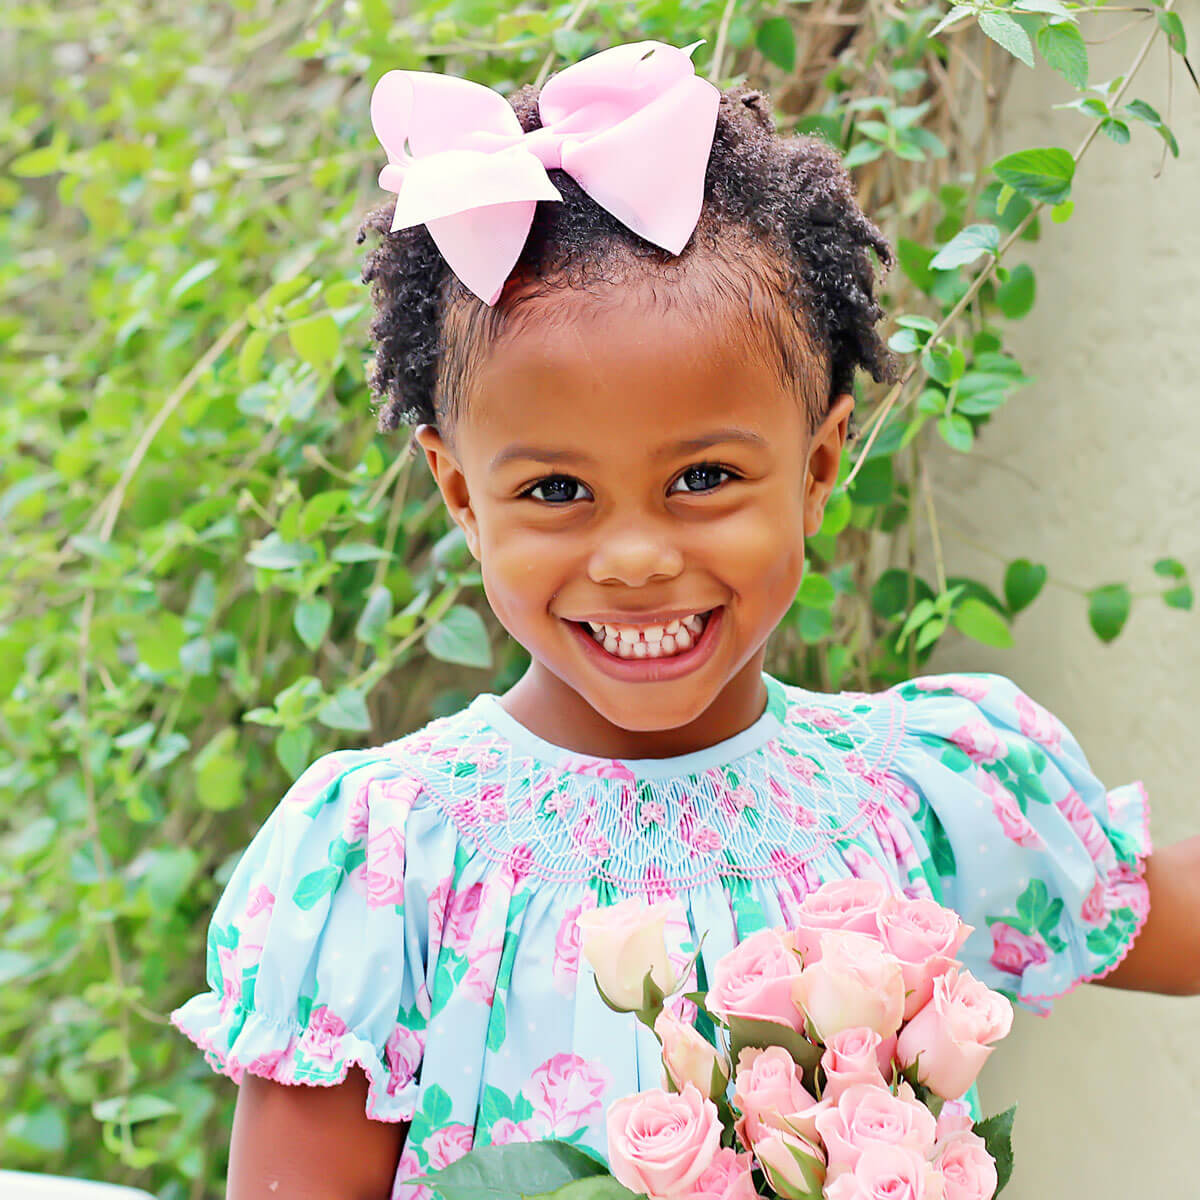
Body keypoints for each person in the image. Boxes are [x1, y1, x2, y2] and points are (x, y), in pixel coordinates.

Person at [170, 39, 1200, 1200]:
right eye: (555, 491)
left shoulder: (921, 798)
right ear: (460, 494)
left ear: (817, 469)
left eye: (704, 477)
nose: (639, 557)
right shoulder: (389, 859)